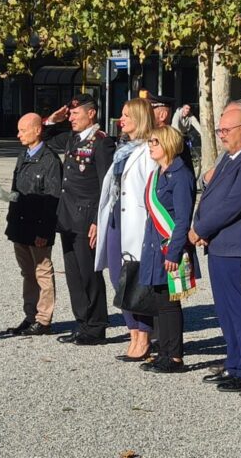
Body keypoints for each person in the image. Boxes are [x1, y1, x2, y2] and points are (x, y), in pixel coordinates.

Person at [191, 108, 241, 392]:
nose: (221, 136)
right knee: (226, 311)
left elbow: (235, 202)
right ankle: (234, 362)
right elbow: (209, 195)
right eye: (219, 131)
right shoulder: (229, 158)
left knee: (240, 310)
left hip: (235, 245)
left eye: (226, 131)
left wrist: (201, 228)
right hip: (220, 244)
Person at [43, 93, 115, 345]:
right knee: (73, 273)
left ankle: (96, 325)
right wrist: (53, 120)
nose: (71, 118)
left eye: (75, 114)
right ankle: (82, 322)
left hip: (86, 217)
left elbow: (107, 184)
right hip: (68, 216)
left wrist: (98, 219)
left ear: (91, 113)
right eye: (70, 114)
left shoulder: (101, 142)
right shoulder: (74, 138)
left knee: (88, 273)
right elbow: (47, 138)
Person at [95, 98, 157, 360]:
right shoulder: (122, 150)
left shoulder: (148, 150)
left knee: (134, 279)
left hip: (135, 223)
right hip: (114, 221)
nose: (121, 120)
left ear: (140, 119)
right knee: (116, 277)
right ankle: (133, 331)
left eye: (127, 116)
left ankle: (143, 335)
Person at [139, 126, 197, 373]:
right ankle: (163, 350)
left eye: (155, 141)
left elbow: (183, 219)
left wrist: (173, 252)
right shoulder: (159, 174)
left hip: (169, 248)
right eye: (150, 141)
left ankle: (174, 356)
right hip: (154, 246)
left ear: (168, 144)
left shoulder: (180, 175)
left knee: (170, 303)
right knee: (160, 301)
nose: (150, 145)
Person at [5, 113, 62, 336]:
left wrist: (45, 231)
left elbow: (53, 198)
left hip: (38, 227)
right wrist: (10, 221)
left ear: (37, 130)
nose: (18, 134)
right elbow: (15, 190)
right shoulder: (23, 156)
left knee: (42, 273)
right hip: (20, 226)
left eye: (23, 130)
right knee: (27, 273)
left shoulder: (50, 160)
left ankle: (43, 319)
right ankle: (30, 316)